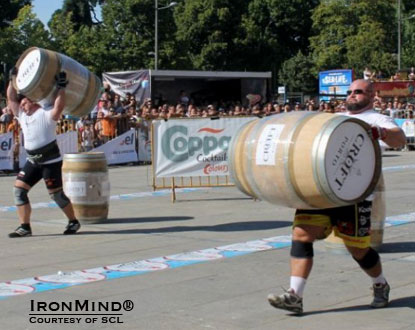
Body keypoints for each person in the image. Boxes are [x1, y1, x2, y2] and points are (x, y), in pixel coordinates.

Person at [267, 79, 406, 314]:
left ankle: (380, 284)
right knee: (301, 234)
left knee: (358, 250)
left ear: (372, 95)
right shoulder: (333, 119)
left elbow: (400, 139)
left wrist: (380, 133)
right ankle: (295, 295)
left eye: (358, 92)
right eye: (349, 92)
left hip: (355, 195)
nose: (351, 95)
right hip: (320, 188)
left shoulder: (377, 119)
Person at [6, 67, 81, 237]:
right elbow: (11, 97)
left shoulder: (46, 113)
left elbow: (59, 105)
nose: (22, 106)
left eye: (24, 102)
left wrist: (61, 87)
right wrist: (12, 79)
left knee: (57, 196)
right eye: (21, 104)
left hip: (50, 162)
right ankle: (25, 227)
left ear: (33, 100)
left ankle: (73, 221)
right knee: (18, 191)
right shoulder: (22, 116)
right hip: (33, 162)